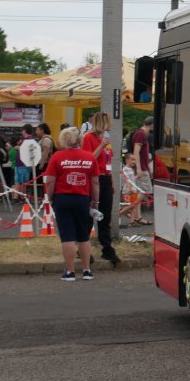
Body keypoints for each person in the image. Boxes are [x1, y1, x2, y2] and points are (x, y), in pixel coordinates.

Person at [43, 125, 99, 281]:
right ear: (79, 140)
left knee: (67, 236)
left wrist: (50, 197)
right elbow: (95, 182)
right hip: (83, 199)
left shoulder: (57, 157)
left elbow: (50, 181)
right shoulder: (89, 157)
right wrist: (95, 201)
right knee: (83, 236)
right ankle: (87, 270)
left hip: (62, 198)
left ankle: (70, 272)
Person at [82, 112, 120, 267]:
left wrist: (111, 181)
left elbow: (109, 161)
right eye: (108, 122)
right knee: (90, 214)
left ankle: (106, 247)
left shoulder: (106, 140)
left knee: (105, 214)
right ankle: (83, 247)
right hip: (92, 178)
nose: (110, 125)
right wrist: (101, 145)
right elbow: (89, 158)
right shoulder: (88, 138)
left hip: (104, 178)